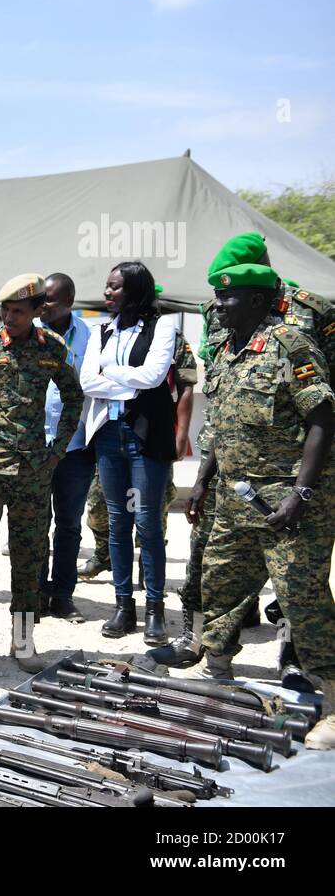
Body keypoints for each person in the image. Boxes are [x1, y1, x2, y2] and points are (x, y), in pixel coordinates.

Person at [151, 233, 330, 684]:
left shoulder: (291, 346)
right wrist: (204, 481)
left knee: (301, 596)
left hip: (286, 500)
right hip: (234, 496)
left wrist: (300, 494)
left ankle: (326, 692)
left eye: (227, 296)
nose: (218, 305)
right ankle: (217, 668)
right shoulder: (230, 352)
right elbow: (226, 428)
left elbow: (324, 420)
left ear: (256, 299)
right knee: (221, 584)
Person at [0, 275, 82, 675]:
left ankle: (23, 640)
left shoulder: (52, 350)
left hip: (32, 473)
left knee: (29, 559)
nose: (9, 318)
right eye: (5, 311)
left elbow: (74, 398)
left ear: (38, 312)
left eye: (18, 312)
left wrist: (57, 451)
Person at [79, 261, 178, 645]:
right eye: (106, 286)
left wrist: (111, 371)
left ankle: (155, 608)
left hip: (143, 436)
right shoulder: (98, 330)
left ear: (136, 291)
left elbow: (154, 377)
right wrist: (125, 379)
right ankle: (124, 605)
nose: (107, 294)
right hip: (108, 434)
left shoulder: (163, 327)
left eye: (115, 287)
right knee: (118, 522)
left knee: (148, 523)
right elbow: (87, 381)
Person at [35, 273, 93, 622]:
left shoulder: (91, 336)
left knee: (69, 523)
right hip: (37, 445)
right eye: (41, 299)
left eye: (51, 300)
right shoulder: (32, 334)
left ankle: (63, 594)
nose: (43, 306)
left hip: (76, 445)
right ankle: (38, 591)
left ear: (70, 301)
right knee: (36, 522)